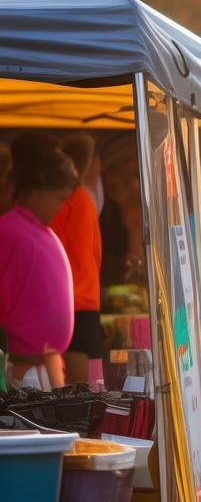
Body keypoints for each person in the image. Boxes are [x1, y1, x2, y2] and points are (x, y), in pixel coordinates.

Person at [0, 134, 79, 388]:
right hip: (24, 370)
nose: (62, 208)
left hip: (48, 365)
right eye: (59, 199)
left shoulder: (39, 231)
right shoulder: (8, 231)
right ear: (33, 192)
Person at [50, 134, 104, 386]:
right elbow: (94, 253)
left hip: (69, 298)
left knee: (76, 389)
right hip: (81, 301)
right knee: (83, 391)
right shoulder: (80, 199)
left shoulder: (70, 200)